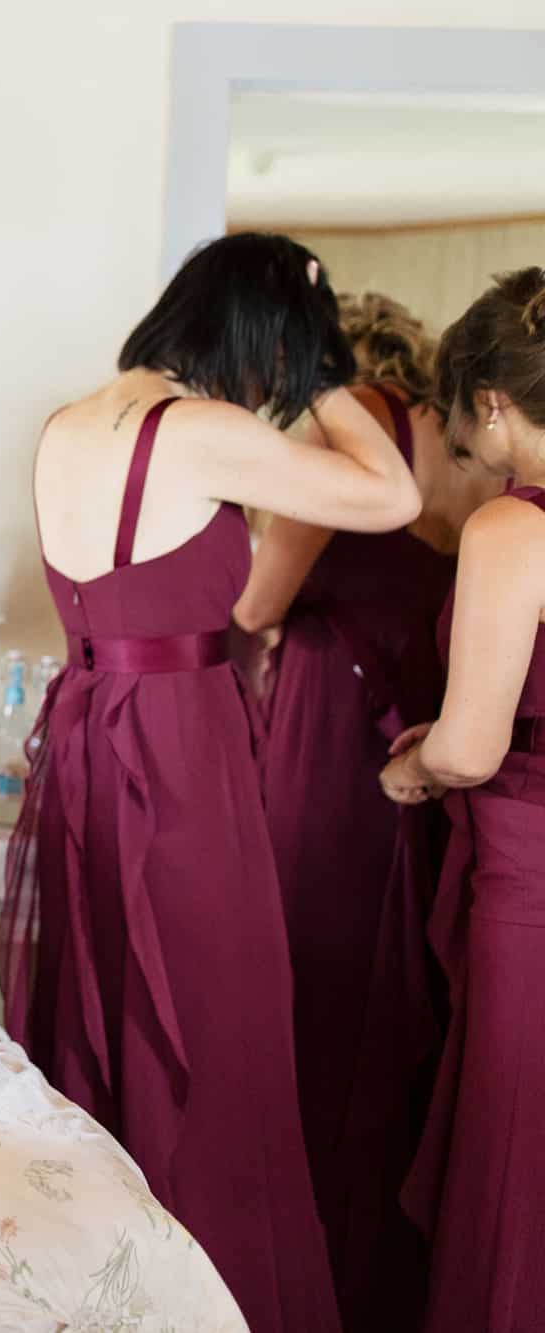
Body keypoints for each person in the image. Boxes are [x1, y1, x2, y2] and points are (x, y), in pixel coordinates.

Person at [0, 232, 422, 1333]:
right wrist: (331, 371)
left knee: (112, 1005)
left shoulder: (66, 423)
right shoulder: (198, 432)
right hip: (178, 745)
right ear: (261, 335)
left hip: (90, 733)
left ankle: (106, 1285)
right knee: (216, 1020)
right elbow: (384, 493)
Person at [234, 292, 499, 1330]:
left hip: (329, 735)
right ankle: (382, 1267)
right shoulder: (450, 438)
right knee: (400, 999)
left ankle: (310, 1266)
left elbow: (254, 605)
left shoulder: (343, 446)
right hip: (421, 727)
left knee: (320, 984)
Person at [380, 267, 545, 1332]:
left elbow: (473, 747)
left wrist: (412, 762)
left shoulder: (510, 528)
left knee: (514, 1157)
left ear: (488, 399)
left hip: (530, 878)